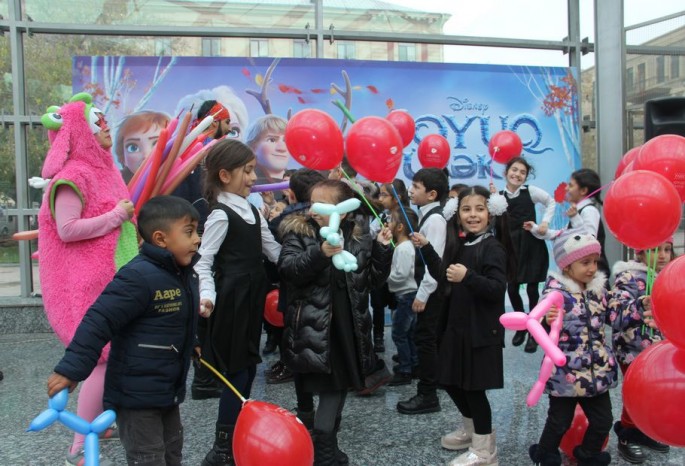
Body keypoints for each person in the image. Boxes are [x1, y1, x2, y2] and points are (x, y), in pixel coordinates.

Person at [47, 195, 201, 466]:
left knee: (172, 452)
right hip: (135, 395)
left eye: (197, 232)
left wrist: (194, 342)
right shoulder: (138, 276)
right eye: (189, 232)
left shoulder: (183, 274)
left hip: (166, 389)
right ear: (160, 238)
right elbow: (99, 320)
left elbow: (180, 319)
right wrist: (71, 369)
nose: (197, 239)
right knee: (148, 457)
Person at [38, 97, 139, 465]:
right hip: (87, 286)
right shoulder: (74, 175)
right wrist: (116, 216)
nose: (105, 124)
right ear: (79, 130)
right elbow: (67, 230)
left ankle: (98, 423)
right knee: (100, 358)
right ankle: (81, 443)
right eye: (95, 120)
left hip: (111, 278)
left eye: (103, 117)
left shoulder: (102, 169)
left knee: (109, 358)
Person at [278, 179, 393, 465]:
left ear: (343, 211)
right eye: (312, 202)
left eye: (324, 204)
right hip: (314, 328)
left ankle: (327, 447)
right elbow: (289, 270)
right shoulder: (299, 232)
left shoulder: (357, 235)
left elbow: (372, 280)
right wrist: (320, 254)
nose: (315, 210)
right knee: (330, 388)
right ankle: (324, 453)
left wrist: (382, 248)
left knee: (339, 387)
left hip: (349, 326)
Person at [194, 139, 281, 466]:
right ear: (225, 175)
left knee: (247, 367)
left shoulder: (253, 209)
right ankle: (222, 447)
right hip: (230, 301)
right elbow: (203, 262)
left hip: (252, 296)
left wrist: (309, 256)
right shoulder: (220, 214)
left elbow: (273, 250)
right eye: (246, 171)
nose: (253, 177)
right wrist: (208, 296)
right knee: (236, 372)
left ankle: (235, 436)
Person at [412, 185, 512, 466]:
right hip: (457, 329)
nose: (472, 214)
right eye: (466, 209)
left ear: (490, 213)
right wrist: (427, 248)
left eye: (479, 209)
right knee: (452, 382)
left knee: (473, 389)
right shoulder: (461, 244)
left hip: (480, 332)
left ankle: (485, 451)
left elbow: (495, 289)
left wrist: (468, 276)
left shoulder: (492, 247)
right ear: (457, 214)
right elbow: (444, 275)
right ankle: (472, 432)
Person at [529, 229, 617, 466]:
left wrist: (640, 306)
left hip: (596, 372)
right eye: (585, 262)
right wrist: (548, 320)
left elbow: (615, 314)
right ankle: (545, 454)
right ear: (567, 266)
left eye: (595, 262)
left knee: (603, 420)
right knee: (559, 421)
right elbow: (538, 324)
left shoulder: (599, 291)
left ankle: (588, 454)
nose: (592, 268)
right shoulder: (555, 294)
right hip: (565, 372)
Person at [609, 240, 673, 463]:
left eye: (667, 250)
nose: (663, 256)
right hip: (632, 349)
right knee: (636, 394)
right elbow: (615, 315)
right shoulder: (627, 277)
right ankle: (626, 435)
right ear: (641, 253)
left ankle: (642, 432)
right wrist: (640, 304)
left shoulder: (668, 278)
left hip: (658, 350)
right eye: (656, 250)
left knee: (652, 395)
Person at [397, 167, 448, 415]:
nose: (411, 190)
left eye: (416, 187)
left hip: (433, 292)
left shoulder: (436, 219)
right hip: (429, 290)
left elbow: (434, 262)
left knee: (425, 341)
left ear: (431, 194)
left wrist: (422, 294)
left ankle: (428, 395)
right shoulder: (427, 215)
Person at [493, 157, 556, 354]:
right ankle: (521, 325)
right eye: (514, 170)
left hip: (530, 244)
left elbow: (550, 201)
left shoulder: (531, 191)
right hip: (508, 246)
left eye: (522, 172)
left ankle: (533, 331)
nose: (517, 174)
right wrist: (492, 201)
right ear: (506, 173)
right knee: (511, 287)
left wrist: (544, 223)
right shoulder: (499, 196)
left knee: (531, 289)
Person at [368, 180, 407, 353]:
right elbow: (369, 233)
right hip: (381, 265)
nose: (380, 198)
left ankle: (403, 343)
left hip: (400, 268)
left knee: (399, 304)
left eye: (384, 195)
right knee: (377, 303)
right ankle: (378, 336)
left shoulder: (407, 217)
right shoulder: (381, 216)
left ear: (397, 197)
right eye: (379, 194)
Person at [386, 207, 419, 386]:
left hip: (406, 295)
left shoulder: (404, 248)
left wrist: (385, 277)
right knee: (409, 334)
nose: (387, 224)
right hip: (406, 295)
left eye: (391, 220)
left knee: (400, 334)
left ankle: (406, 369)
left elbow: (402, 274)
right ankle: (413, 364)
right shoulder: (402, 246)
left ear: (399, 227)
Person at [565, 168, 610, 280]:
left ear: (583, 190)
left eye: (570, 186)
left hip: (592, 276)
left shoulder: (589, 211)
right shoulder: (578, 211)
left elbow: (589, 241)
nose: (567, 189)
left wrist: (575, 218)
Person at [114, 110, 170, 183]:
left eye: (157, 144)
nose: (146, 156)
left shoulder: (187, 184)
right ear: (123, 158)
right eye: (133, 148)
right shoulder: (112, 186)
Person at [245, 114, 290, 185]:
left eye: (286, 140)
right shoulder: (245, 184)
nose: (282, 148)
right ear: (253, 146)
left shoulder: (301, 180)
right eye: (272, 140)